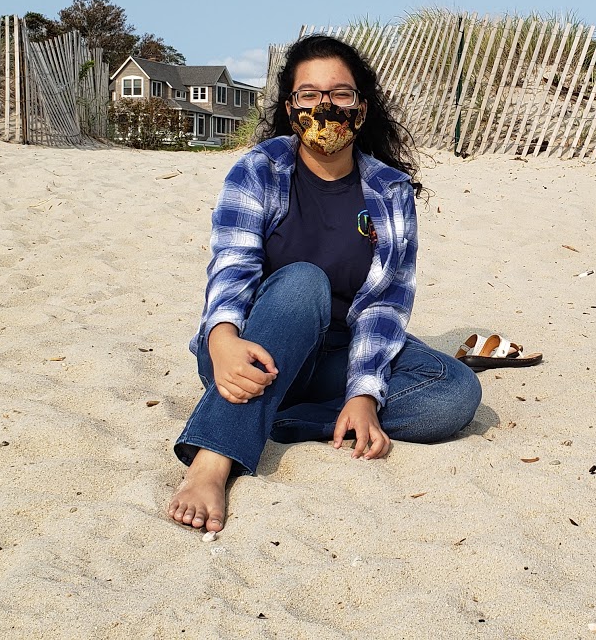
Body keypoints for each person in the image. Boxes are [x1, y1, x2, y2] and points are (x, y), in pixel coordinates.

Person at [167, 35, 482, 533]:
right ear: (290, 105)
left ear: (362, 104)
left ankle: (278, 421)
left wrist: (363, 392)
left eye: (340, 93)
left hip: (338, 353)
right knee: (302, 283)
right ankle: (212, 460)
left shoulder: (389, 189)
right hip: (248, 354)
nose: (325, 106)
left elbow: (385, 304)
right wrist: (222, 339)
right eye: (309, 94)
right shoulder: (260, 170)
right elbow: (232, 266)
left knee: (454, 392)